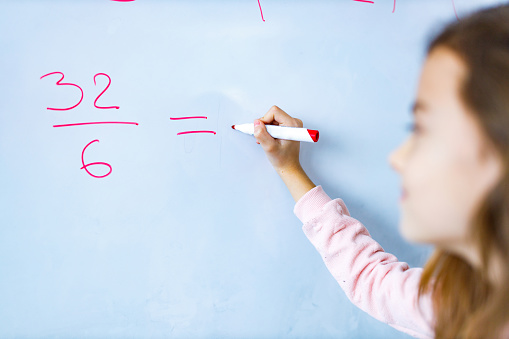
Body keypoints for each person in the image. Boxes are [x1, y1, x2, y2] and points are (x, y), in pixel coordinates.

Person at [253, 4, 509, 338]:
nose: (398, 158)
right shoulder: (464, 304)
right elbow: (370, 281)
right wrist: (289, 168)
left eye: (424, 130)